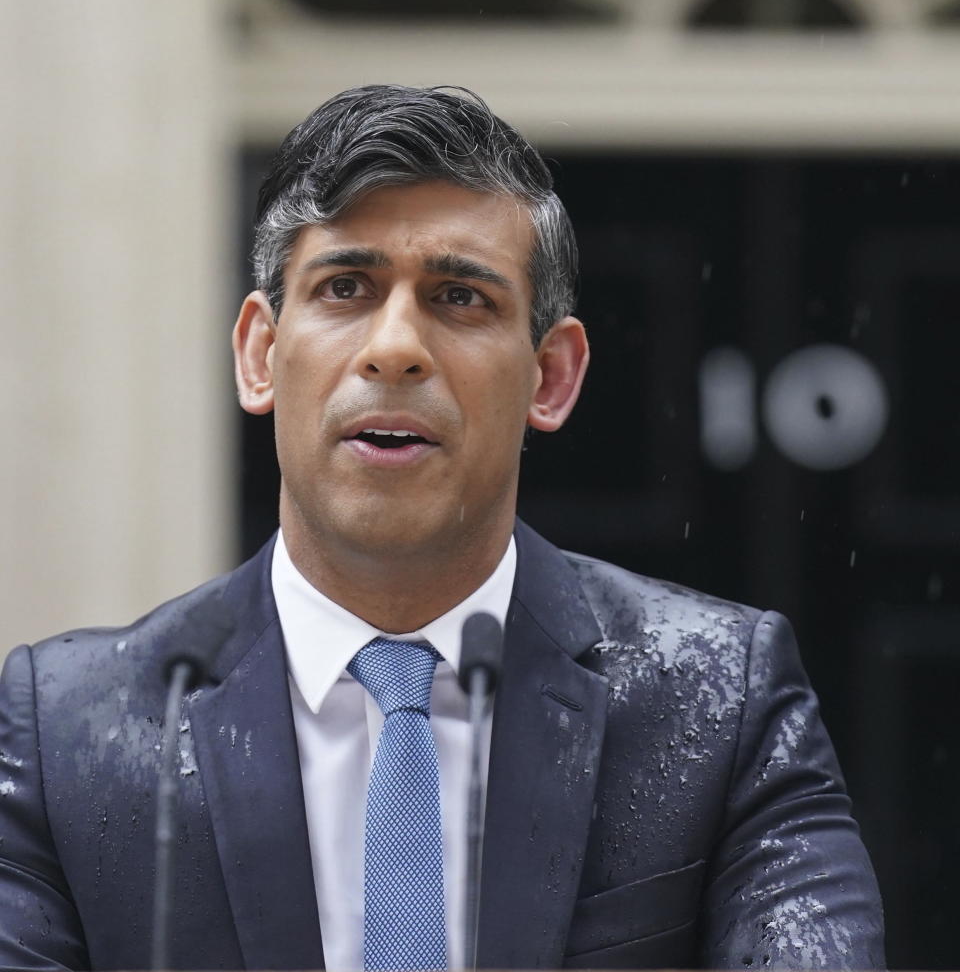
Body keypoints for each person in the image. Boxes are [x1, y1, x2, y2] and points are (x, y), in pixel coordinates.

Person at [0, 84, 884, 971]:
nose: (395, 346)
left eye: (460, 298)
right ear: (261, 355)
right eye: (345, 287)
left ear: (551, 377)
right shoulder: (67, 731)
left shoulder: (717, 698)